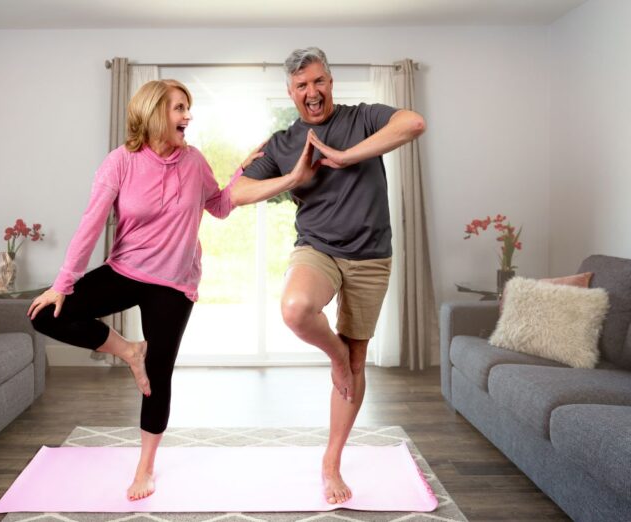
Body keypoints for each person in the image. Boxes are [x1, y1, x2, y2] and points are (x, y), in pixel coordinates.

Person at [28, 79, 320, 501]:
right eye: (179, 108)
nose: (188, 116)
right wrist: (61, 284)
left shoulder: (194, 160)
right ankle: (129, 350)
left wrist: (248, 172)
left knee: (159, 375)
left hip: (174, 283)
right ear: (153, 114)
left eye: (188, 107)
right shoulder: (120, 163)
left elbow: (218, 206)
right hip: (126, 270)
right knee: (44, 315)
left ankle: (145, 466)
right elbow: (90, 226)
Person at [231, 47, 426, 504]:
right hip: (317, 249)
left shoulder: (363, 118)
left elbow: (413, 123)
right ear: (290, 92)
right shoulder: (281, 143)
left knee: (358, 360)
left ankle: (331, 461)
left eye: (318, 81)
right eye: (302, 85)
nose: (311, 92)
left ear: (331, 82)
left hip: (372, 255)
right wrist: (293, 176)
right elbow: (237, 192)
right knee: (296, 309)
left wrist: (344, 156)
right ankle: (337, 356)